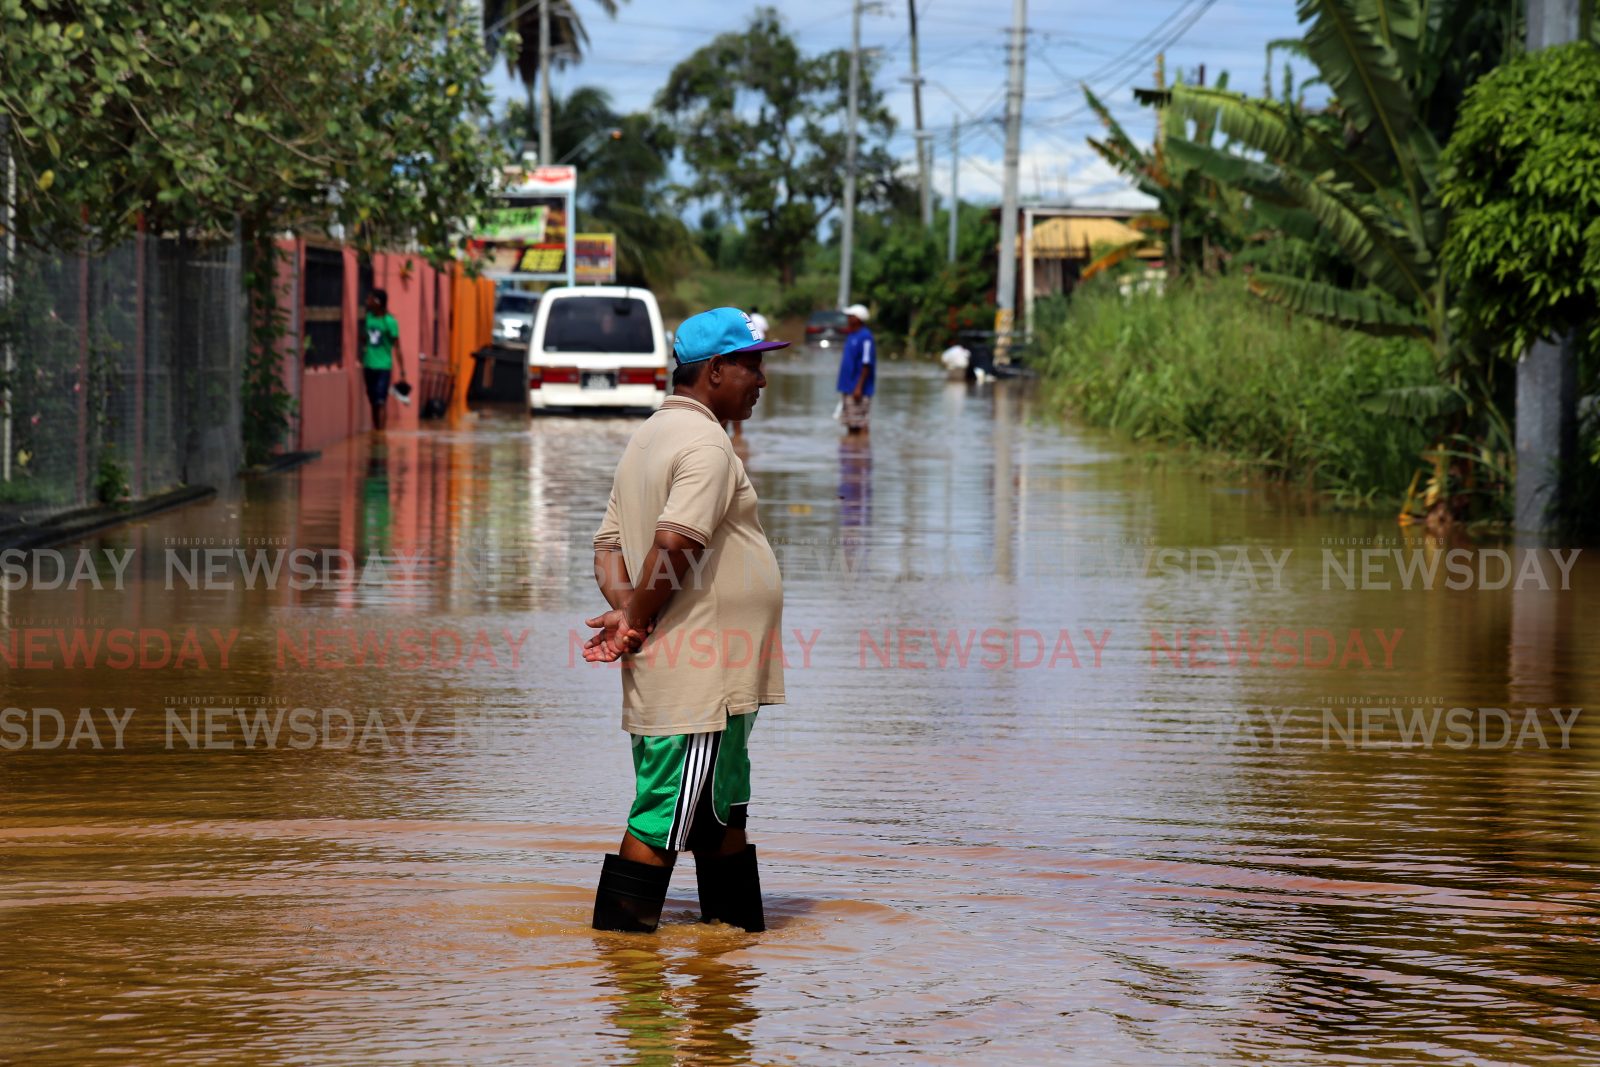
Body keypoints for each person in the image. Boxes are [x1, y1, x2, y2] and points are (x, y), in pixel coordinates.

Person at [584, 306, 790, 935]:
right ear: (716, 370)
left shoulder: (649, 437)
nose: (760, 380)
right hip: (696, 679)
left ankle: (729, 969)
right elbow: (676, 544)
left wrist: (626, 609)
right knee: (662, 815)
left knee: (722, 815)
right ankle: (627, 977)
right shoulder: (704, 444)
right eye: (751, 366)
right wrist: (635, 623)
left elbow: (607, 547)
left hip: (717, 682)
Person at [360, 289, 407, 432]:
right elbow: (363, 338)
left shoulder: (390, 322)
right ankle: (376, 430)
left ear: (378, 302)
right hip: (368, 365)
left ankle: (380, 435)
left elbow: (397, 348)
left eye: (370, 299)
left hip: (383, 367)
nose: (367, 301)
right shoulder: (368, 318)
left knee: (381, 401)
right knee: (373, 400)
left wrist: (403, 372)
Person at [836, 303, 875, 434]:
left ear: (857, 319)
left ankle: (863, 450)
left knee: (860, 423)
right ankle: (854, 451)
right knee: (851, 424)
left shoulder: (866, 337)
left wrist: (859, 387)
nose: (847, 319)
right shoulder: (851, 335)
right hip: (847, 387)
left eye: (850, 316)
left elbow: (866, 363)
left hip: (858, 389)